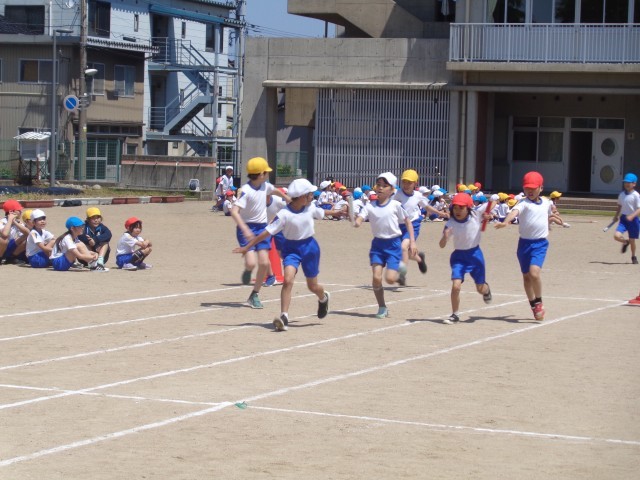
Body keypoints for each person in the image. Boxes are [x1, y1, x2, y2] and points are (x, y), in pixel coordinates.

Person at [233, 179, 337, 331]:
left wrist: (338, 212)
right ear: (302, 196)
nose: (312, 196)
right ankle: (284, 317)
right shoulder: (283, 214)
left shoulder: (310, 207)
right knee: (287, 280)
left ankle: (323, 298)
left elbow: (322, 213)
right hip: (291, 249)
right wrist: (247, 247)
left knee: (312, 286)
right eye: (310, 194)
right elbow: (265, 233)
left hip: (310, 248)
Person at [354, 172, 417, 319]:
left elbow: (408, 222)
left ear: (392, 190)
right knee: (376, 278)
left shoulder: (396, 205)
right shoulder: (370, 206)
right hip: (377, 245)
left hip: (393, 244)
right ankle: (382, 307)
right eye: (379, 185)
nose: (380, 188)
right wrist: (357, 222)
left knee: (390, 279)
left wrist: (412, 241)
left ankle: (400, 267)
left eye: (384, 186)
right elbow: (360, 218)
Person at [230, 156, 290, 308]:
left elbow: (274, 190)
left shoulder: (265, 185)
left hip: (262, 228)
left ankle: (254, 294)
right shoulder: (246, 190)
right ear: (261, 174)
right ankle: (248, 270)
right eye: (266, 172)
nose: (268, 174)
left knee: (263, 263)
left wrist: (286, 197)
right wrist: (245, 229)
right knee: (251, 263)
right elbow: (234, 211)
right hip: (247, 229)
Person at [495, 171, 552, 321]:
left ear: (541, 188)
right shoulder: (523, 203)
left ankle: (538, 301)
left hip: (540, 244)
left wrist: (550, 222)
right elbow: (514, 212)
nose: (530, 191)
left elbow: (548, 214)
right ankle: (533, 304)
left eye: (533, 188)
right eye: (527, 188)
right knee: (526, 278)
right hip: (524, 244)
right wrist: (506, 222)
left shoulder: (546, 202)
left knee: (534, 274)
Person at [439, 193, 492, 324]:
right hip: (459, 257)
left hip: (475, 255)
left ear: (468, 208)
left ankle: (486, 290)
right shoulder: (450, 223)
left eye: (461, 208)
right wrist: (445, 237)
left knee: (480, 288)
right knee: (456, 286)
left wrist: (488, 215)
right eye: (455, 207)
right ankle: (455, 314)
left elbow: (493, 202)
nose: (458, 211)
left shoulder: (476, 215)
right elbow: (441, 245)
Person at [393, 169, 433, 285]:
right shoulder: (397, 193)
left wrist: (441, 213)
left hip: (413, 224)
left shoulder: (418, 196)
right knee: (401, 252)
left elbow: (427, 207)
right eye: (404, 182)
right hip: (399, 225)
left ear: (415, 183)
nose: (406, 185)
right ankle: (419, 258)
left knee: (403, 247)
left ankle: (402, 275)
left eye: (409, 182)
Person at [611, 173, 640, 265]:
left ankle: (633, 256)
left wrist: (632, 216)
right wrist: (616, 216)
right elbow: (619, 206)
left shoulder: (636, 195)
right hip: (623, 219)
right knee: (616, 236)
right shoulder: (621, 195)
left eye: (629, 182)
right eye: (625, 182)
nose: (626, 184)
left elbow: (639, 209)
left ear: (634, 184)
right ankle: (625, 242)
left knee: (632, 240)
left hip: (634, 220)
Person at [1, 199, 29, 264]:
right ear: (11, 211)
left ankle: (11, 258)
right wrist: (10, 220)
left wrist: (15, 222)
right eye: (19, 210)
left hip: (11, 248)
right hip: (2, 248)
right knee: (4, 240)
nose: (21, 212)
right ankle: (1, 258)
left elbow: (28, 233)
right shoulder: (2, 222)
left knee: (28, 239)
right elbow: (5, 234)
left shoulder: (18, 222)